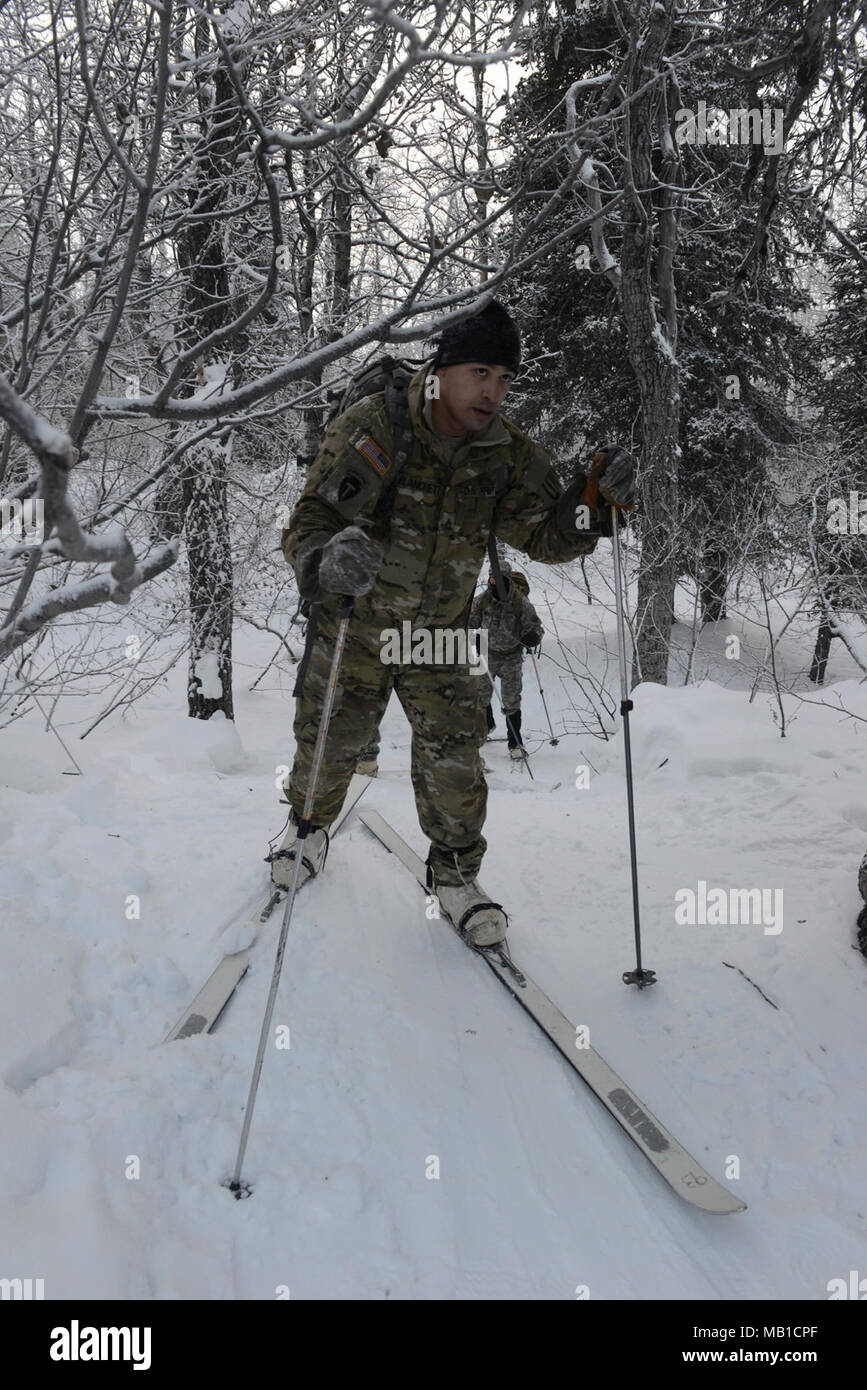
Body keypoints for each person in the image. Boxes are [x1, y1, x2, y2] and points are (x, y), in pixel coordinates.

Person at [277, 300, 634, 946]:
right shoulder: (376, 429)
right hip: (357, 623)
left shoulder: (503, 452)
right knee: (329, 741)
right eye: (480, 373)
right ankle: (305, 830)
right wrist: (325, 562)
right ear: (442, 371)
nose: (493, 393)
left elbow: (545, 536)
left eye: (504, 380)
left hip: (438, 632)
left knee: (455, 759)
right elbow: (308, 524)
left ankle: (454, 876)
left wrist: (592, 505)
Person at [469, 564, 542, 759]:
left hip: (511, 656)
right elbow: (470, 620)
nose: (494, 582)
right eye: (491, 578)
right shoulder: (483, 600)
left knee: (511, 699)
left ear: (507, 579)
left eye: (498, 579)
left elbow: (536, 626)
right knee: (480, 694)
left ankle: (515, 743)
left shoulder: (520, 602)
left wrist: (533, 637)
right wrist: (475, 637)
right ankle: (487, 724)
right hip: (487, 653)